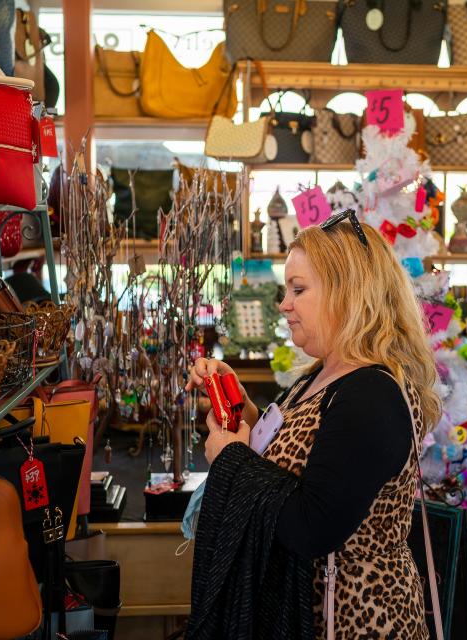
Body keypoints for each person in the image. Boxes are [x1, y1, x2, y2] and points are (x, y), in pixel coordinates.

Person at [185, 210, 441, 639]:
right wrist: (239, 405)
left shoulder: (372, 395)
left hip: (353, 620)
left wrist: (230, 457)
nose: (284, 304)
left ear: (348, 293)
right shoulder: (322, 376)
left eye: (298, 289)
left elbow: (311, 527)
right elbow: (289, 454)